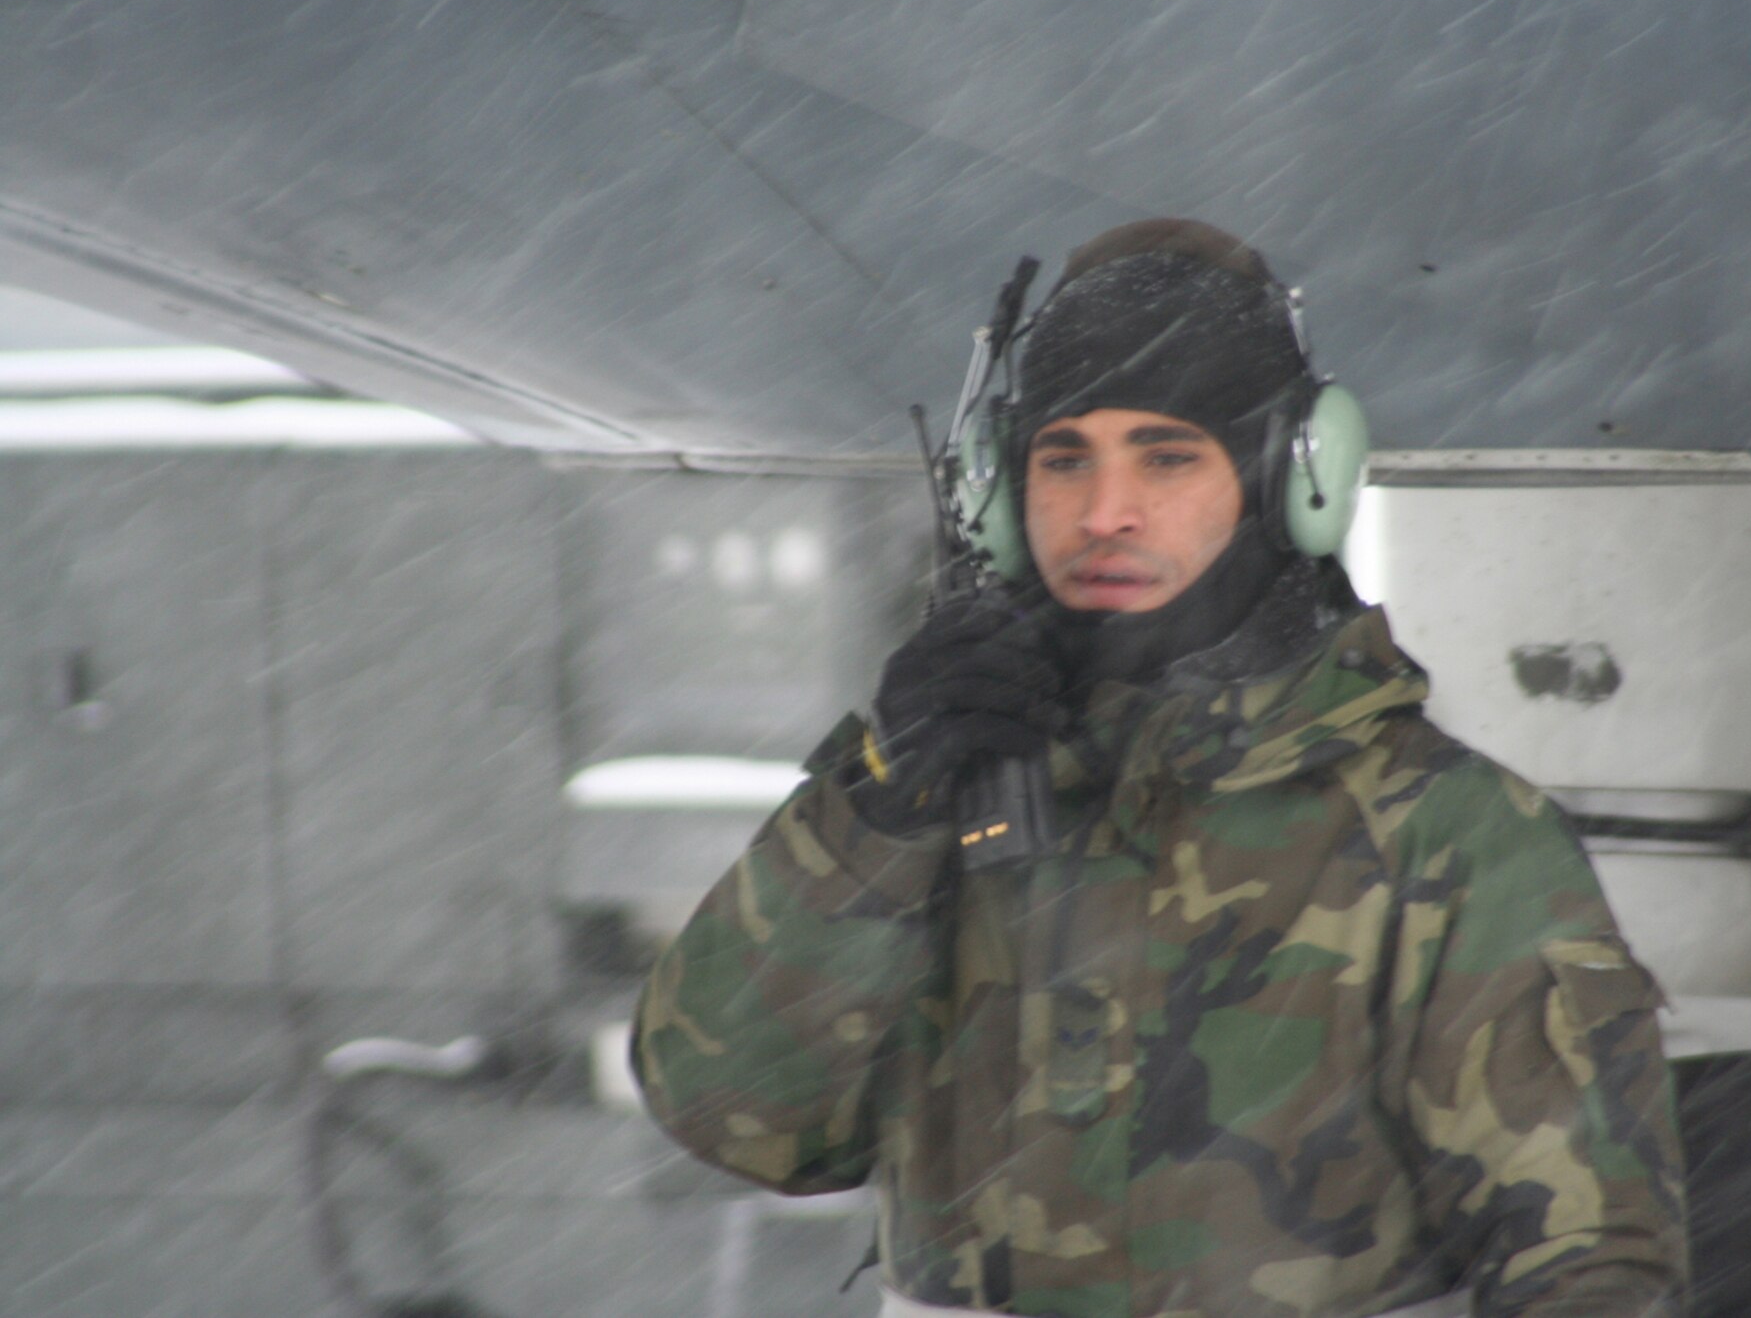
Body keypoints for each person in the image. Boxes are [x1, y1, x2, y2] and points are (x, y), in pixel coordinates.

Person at [632, 219, 1689, 1317]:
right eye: (1062, 458)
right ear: (998, 489)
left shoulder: (1442, 830)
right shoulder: (933, 801)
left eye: (1168, 455)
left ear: (1294, 475)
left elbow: (1587, 1256)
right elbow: (741, 1119)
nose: (1103, 513)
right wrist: (879, 810)